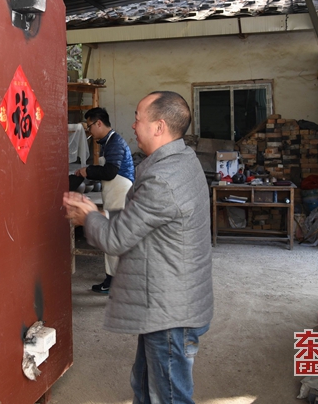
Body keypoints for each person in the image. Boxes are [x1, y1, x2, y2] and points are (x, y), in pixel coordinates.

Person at [63, 91, 213, 404]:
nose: (133, 125)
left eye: (138, 118)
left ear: (159, 127)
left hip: (171, 310)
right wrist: (100, 215)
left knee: (168, 395)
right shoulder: (183, 160)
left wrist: (89, 217)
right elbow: (142, 222)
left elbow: (116, 239)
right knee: (144, 383)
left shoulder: (163, 179)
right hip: (170, 299)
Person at [68, 107, 134, 293]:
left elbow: (110, 172)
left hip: (120, 190)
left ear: (98, 123)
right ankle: (114, 279)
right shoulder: (109, 142)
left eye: (89, 126)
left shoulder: (115, 142)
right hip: (115, 190)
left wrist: (87, 171)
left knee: (113, 235)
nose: (89, 131)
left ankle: (114, 282)